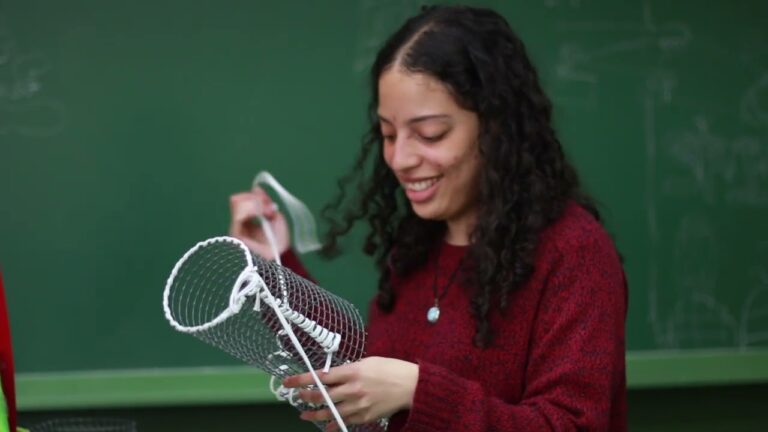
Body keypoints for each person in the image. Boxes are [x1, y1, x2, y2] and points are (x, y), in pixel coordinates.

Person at [229, 5, 627, 431]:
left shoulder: (575, 254)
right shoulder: (419, 245)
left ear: (497, 126)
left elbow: (573, 424)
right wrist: (276, 265)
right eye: (387, 134)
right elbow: (365, 374)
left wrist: (420, 392)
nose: (400, 158)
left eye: (430, 134)